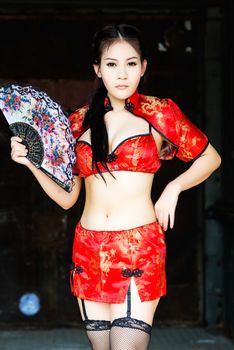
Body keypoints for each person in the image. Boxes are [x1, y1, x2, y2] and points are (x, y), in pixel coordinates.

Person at [10, 24, 221, 350]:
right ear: (97, 68)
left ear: (144, 66)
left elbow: (210, 158)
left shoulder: (159, 113)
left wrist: (173, 188)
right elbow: (68, 199)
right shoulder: (78, 122)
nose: (122, 73)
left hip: (138, 247)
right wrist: (30, 164)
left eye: (131, 63)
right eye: (111, 64)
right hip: (88, 247)